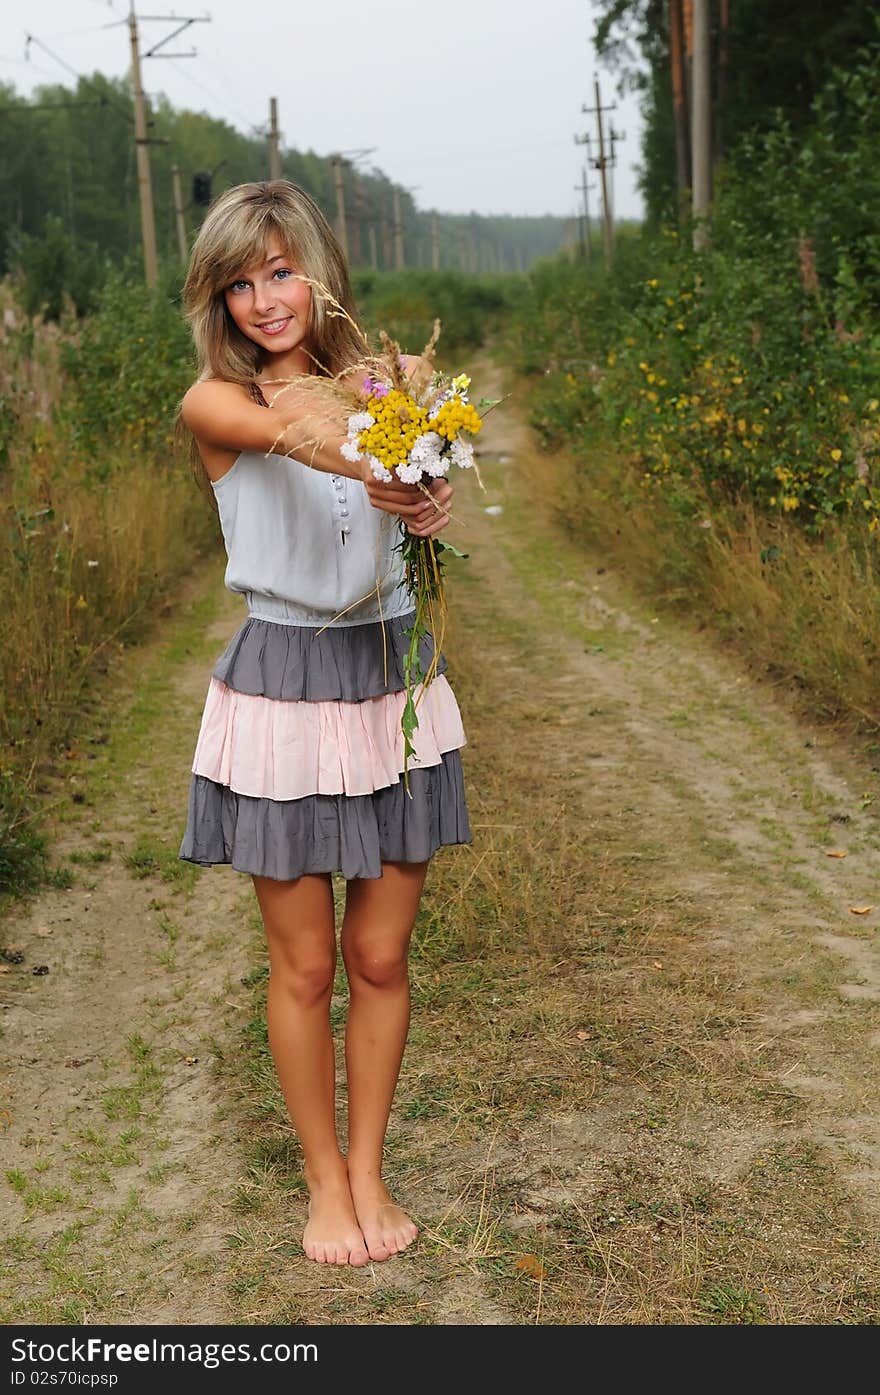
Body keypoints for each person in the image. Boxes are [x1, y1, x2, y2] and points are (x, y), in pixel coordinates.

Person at [176, 180, 471, 1268]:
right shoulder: (216, 401)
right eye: (239, 283)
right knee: (303, 968)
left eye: (281, 270)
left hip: (390, 670)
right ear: (219, 301)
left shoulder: (396, 386)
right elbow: (288, 440)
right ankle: (319, 1181)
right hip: (283, 681)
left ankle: (368, 1170)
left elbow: (422, 481)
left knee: (381, 955)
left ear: (318, 268)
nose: (264, 299)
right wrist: (379, 453)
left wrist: (426, 483)